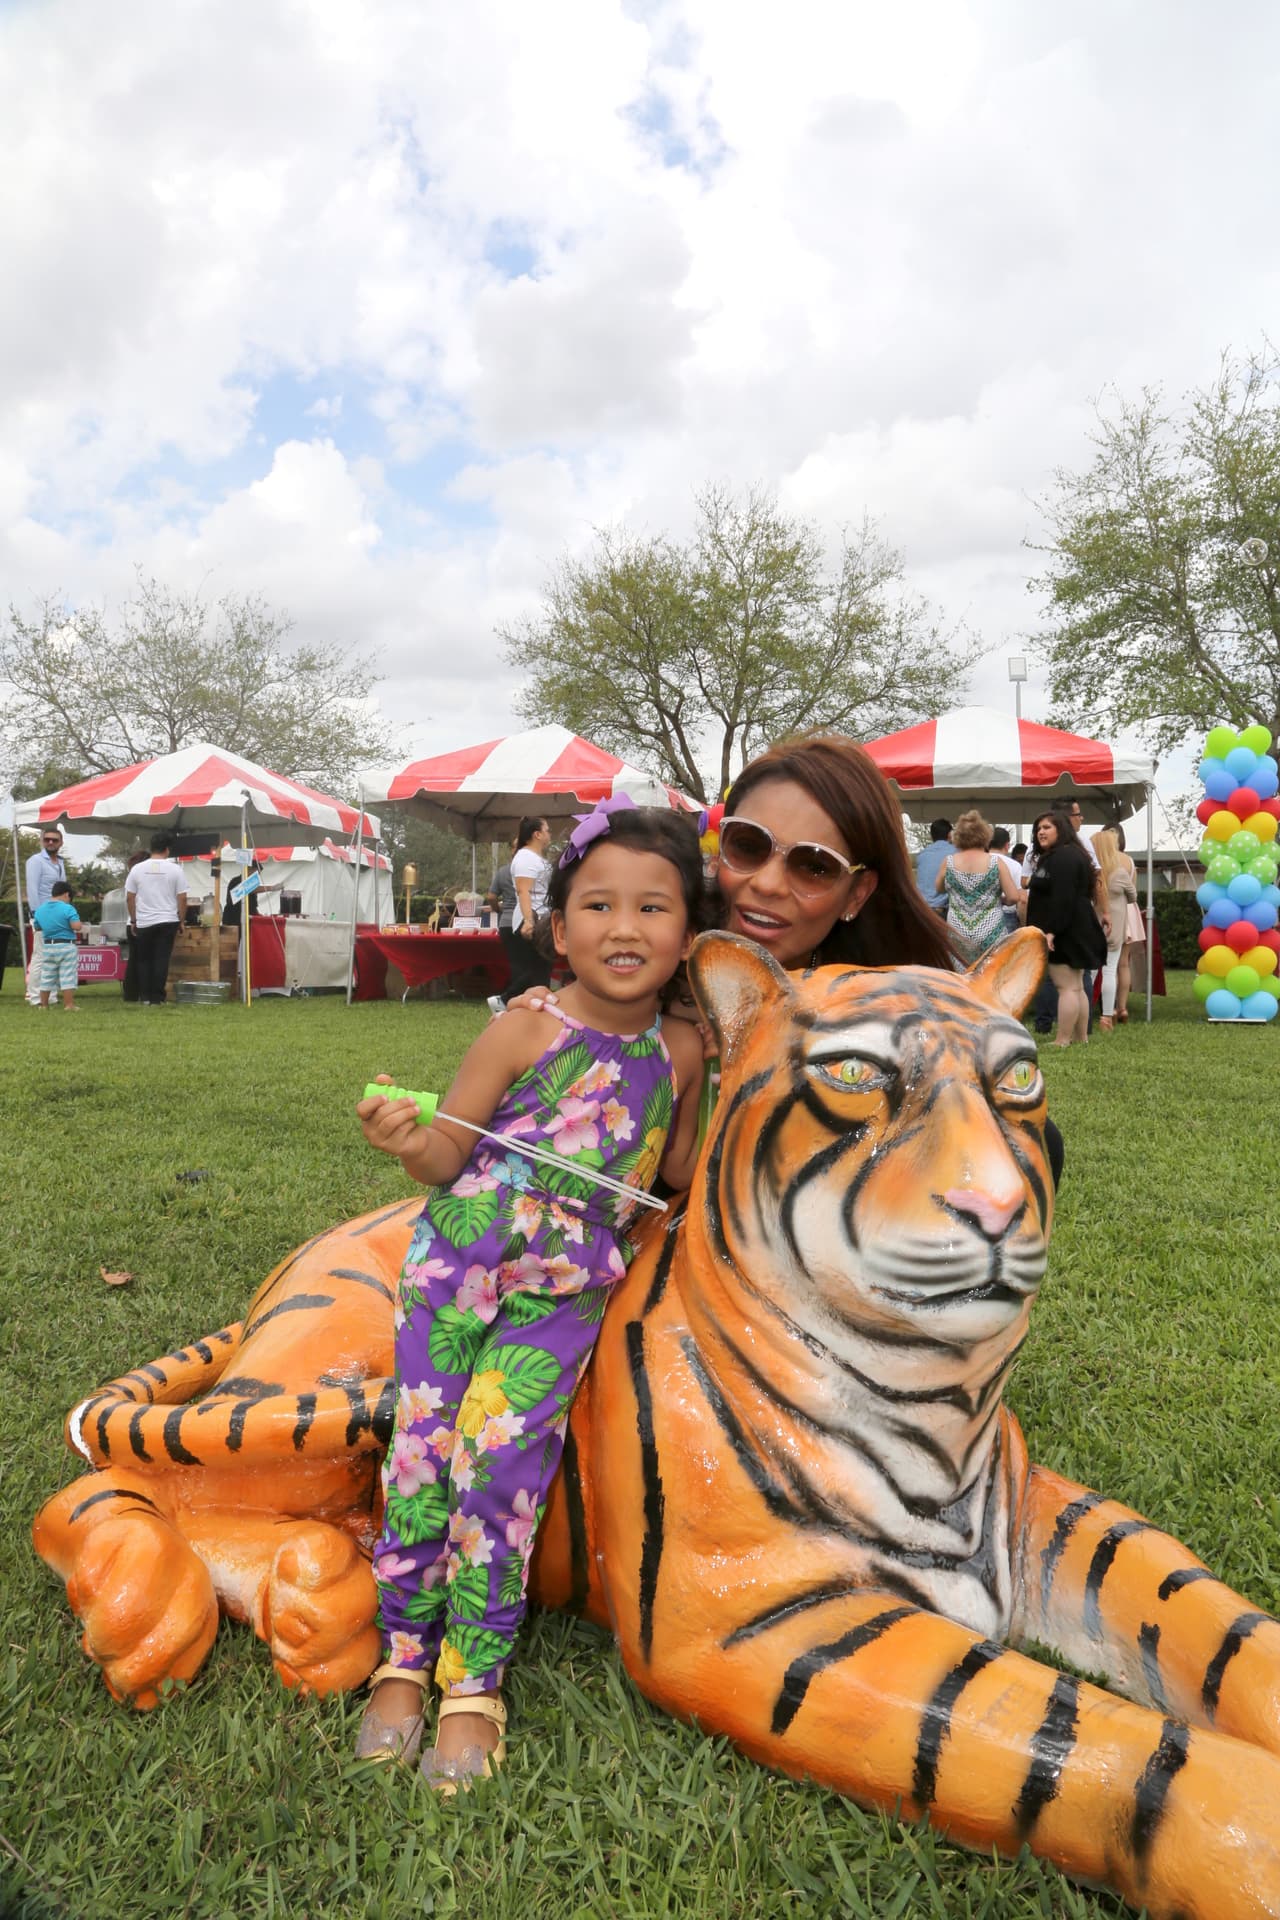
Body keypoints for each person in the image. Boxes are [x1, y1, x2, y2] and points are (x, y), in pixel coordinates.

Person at [354, 800, 706, 1787]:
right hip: (454, 1270)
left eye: (652, 908)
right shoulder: (523, 1026)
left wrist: (673, 1202)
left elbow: (670, 1170)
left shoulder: (681, 1053)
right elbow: (443, 1154)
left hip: (562, 1293)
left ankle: (473, 1677)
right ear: (558, 931)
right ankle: (402, 1654)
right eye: (596, 905)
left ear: (686, 936)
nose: (623, 928)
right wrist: (401, 1136)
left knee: (501, 1470)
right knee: (422, 1454)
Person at [1024, 811, 1108, 1046]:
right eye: (1038, 828)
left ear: (1061, 829)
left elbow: (1063, 897)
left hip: (1066, 929)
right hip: (1075, 926)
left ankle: (1063, 1039)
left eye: (1047, 827)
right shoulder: (1069, 855)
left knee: (1067, 987)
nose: (1041, 831)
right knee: (1076, 986)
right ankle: (1080, 1038)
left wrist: (1051, 931)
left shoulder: (1061, 858)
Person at [942, 811, 1022, 963]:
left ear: (957, 836)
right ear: (985, 836)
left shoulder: (948, 862)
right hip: (991, 930)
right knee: (990, 975)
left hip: (958, 930)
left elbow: (939, 888)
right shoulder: (996, 863)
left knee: (961, 977)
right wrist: (1001, 900)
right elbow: (1013, 897)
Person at [125, 832, 188, 1005]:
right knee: (161, 959)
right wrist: (181, 920)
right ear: (167, 850)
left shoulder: (137, 869)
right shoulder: (176, 869)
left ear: (151, 848)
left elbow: (130, 897)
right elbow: (182, 898)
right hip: (168, 920)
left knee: (144, 960)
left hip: (144, 921)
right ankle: (157, 997)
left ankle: (144, 996)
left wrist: (134, 920)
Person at [1093, 828, 1138, 1031]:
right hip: (1115, 930)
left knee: (1090, 972)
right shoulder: (1120, 872)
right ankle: (1107, 1016)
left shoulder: (1091, 874)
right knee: (1111, 970)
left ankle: (1083, 1014)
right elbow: (1133, 896)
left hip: (1092, 927)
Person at [506, 815, 553, 1001]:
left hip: (540, 917)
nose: (550, 834)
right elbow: (523, 890)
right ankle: (505, 999)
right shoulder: (526, 858)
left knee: (541, 969)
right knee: (538, 969)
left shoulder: (534, 857)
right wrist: (528, 921)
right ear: (537, 834)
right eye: (547, 830)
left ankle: (512, 1001)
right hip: (533, 918)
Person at [25, 826, 67, 1006]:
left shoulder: (60, 862)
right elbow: (32, 889)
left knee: (54, 957)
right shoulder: (35, 861)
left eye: (54, 840)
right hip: (42, 915)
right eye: (47, 839)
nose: (50, 842)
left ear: (60, 843)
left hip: (57, 916)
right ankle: (35, 997)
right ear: (42, 841)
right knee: (40, 956)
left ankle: (50, 996)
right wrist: (37, 915)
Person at [32, 879, 82, 1011]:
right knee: (67, 976)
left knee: (47, 976)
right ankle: (69, 1005)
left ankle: (43, 1005)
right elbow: (76, 926)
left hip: (48, 946)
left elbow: (37, 927)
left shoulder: (40, 910)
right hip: (66, 946)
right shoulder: (68, 908)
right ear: (66, 894)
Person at [484, 840, 519, 1015]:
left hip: (506, 922)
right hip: (525, 921)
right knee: (531, 967)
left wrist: (498, 910)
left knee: (516, 965)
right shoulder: (535, 870)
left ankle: (509, 1002)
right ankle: (505, 999)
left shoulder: (503, 871)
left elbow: (491, 896)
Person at [914, 818, 953, 913]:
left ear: (932, 836)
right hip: (943, 912)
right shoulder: (956, 853)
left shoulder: (922, 855)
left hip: (921, 910)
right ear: (949, 834)